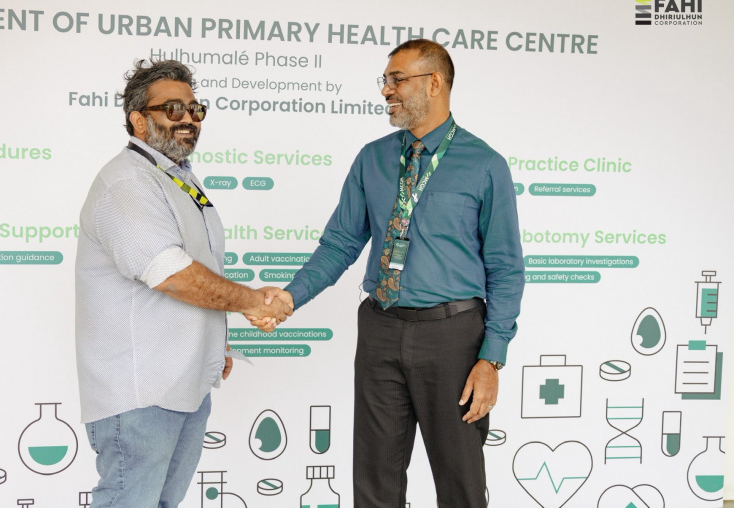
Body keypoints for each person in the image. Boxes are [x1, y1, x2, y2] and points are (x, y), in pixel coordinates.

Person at [259, 39, 524, 507]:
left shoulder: (485, 165)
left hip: (454, 337)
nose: (386, 90)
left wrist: (492, 359)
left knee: (460, 485)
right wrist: (290, 296)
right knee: (374, 483)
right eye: (385, 80)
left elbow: (505, 268)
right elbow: (340, 243)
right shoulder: (373, 158)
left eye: (397, 80)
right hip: (380, 329)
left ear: (435, 83)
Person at [74, 58, 292, 508]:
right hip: (141, 393)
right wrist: (252, 301)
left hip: (181, 385)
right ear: (139, 120)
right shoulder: (127, 182)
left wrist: (212, 344)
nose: (188, 118)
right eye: (173, 109)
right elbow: (171, 274)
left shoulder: (177, 177)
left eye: (195, 109)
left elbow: (196, 270)